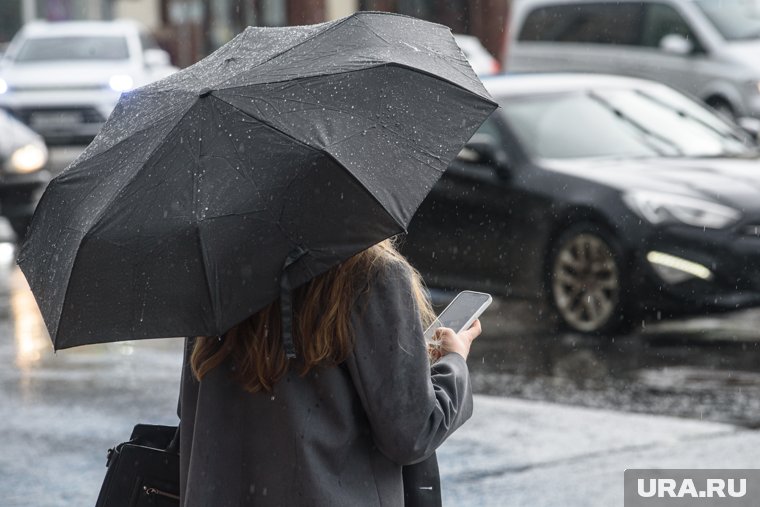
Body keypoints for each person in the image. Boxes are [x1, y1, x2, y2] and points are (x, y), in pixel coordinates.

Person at [178, 238, 480, 506]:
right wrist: (453, 361)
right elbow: (412, 432)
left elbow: (192, 408)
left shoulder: (217, 271)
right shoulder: (369, 273)